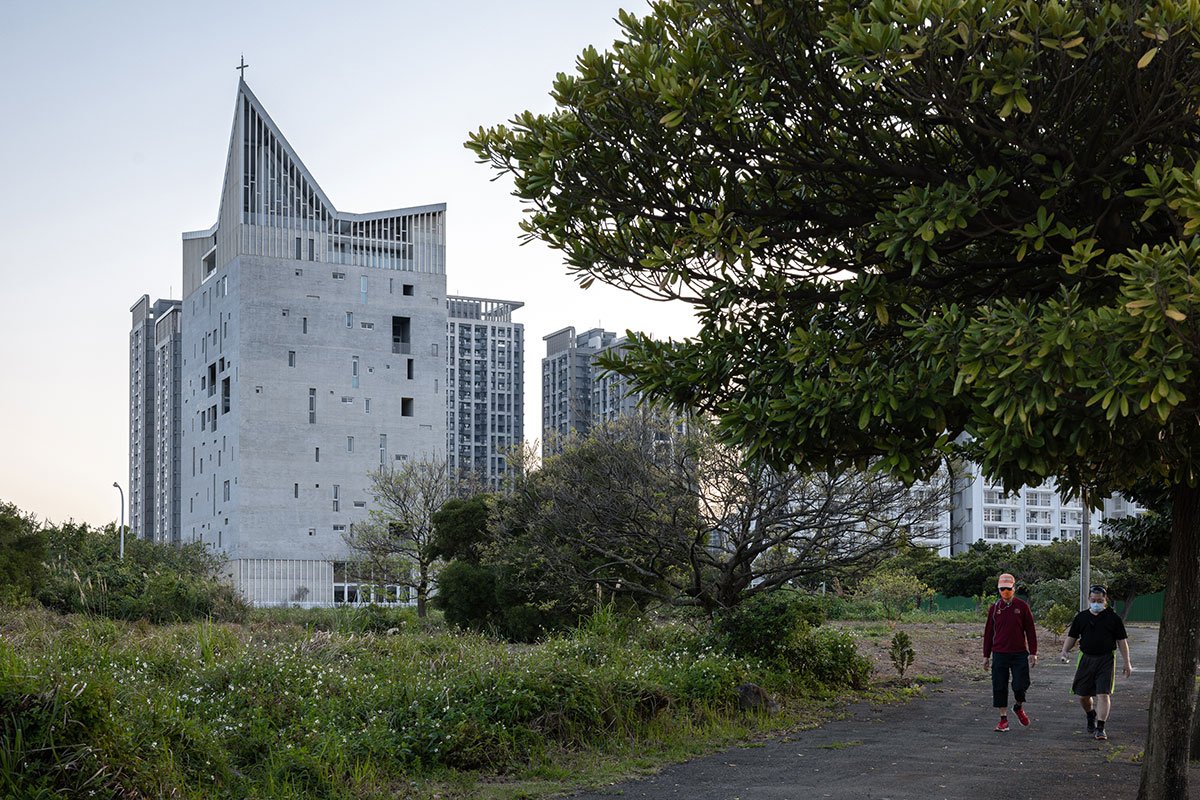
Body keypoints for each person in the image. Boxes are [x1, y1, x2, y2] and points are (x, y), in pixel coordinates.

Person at [1059, 585, 1133, 740]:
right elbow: (1072, 636)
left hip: (1106, 659)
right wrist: (1065, 650)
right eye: (1093, 600)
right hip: (1086, 658)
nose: (1096, 603)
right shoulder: (1081, 617)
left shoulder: (1113, 618)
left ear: (1105, 600)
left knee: (1103, 694)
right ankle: (1090, 714)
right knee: (1083, 695)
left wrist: (1127, 662)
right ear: (1089, 599)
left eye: (1100, 600)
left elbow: (1122, 641)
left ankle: (1100, 727)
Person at [983, 572, 1038, 731]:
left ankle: (1018, 706)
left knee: (1020, 685)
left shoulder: (1022, 607)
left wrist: (1033, 652)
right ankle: (1003, 719)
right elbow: (988, 633)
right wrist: (986, 656)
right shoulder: (994, 609)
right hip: (999, 653)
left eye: (1008, 589)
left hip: (1019, 652)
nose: (1005, 593)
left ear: (1014, 588)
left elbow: (1031, 631)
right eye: (1002, 590)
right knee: (999, 685)